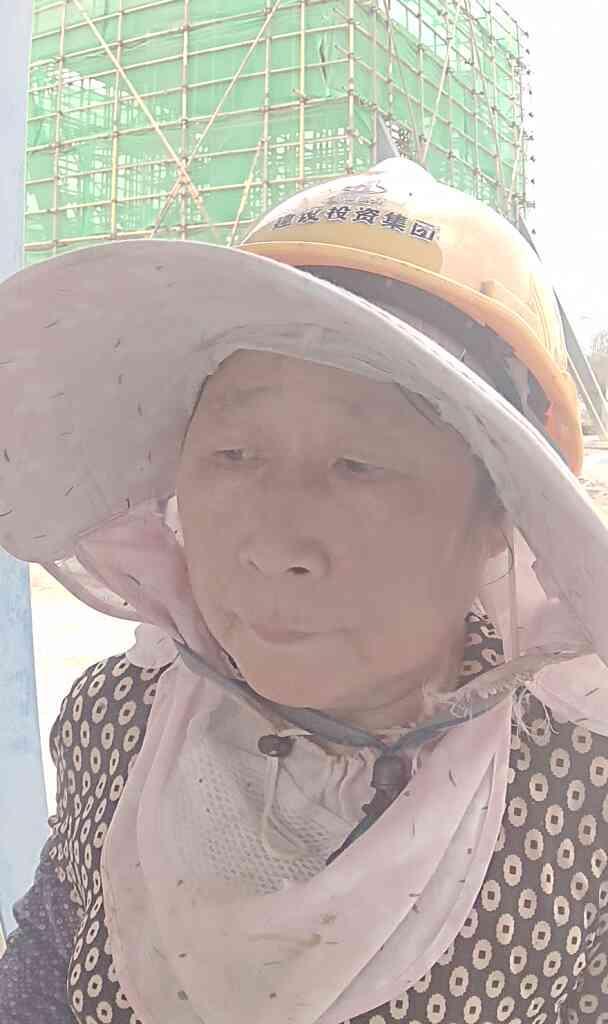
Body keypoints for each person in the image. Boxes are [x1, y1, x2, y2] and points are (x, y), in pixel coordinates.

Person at [1, 157, 608, 1024]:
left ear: (495, 517)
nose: (272, 545)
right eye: (232, 455)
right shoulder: (117, 715)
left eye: (358, 465)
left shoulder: (582, 790)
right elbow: (52, 949)